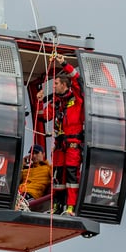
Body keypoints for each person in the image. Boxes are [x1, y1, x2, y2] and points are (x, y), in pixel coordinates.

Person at [35, 53, 84, 216]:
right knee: (57, 178)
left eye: (55, 84)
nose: (53, 86)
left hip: (73, 145)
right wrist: (40, 100)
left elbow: (77, 80)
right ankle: (57, 206)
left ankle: (70, 207)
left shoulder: (77, 98)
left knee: (71, 176)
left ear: (64, 84)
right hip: (59, 146)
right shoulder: (55, 102)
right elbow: (44, 116)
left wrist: (64, 64)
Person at [16, 144, 51, 210]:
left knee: (18, 204)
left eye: (37, 153)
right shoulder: (26, 170)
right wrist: (22, 165)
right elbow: (16, 181)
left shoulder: (48, 168)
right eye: (32, 153)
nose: (34, 156)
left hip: (32, 196)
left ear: (43, 154)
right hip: (20, 193)